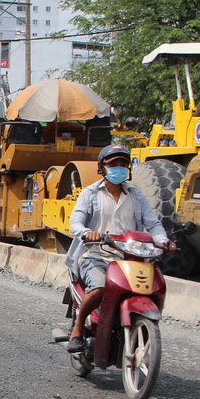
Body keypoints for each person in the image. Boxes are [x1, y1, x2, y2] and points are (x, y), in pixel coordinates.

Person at [64, 144, 175, 352]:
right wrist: (88, 232)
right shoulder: (90, 193)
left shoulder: (137, 195)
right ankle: (79, 324)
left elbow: (153, 225)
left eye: (123, 163)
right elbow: (76, 222)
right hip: (97, 255)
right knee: (99, 288)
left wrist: (164, 241)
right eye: (113, 164)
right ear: (102, 168)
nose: (119, 167)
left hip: (130, 259)